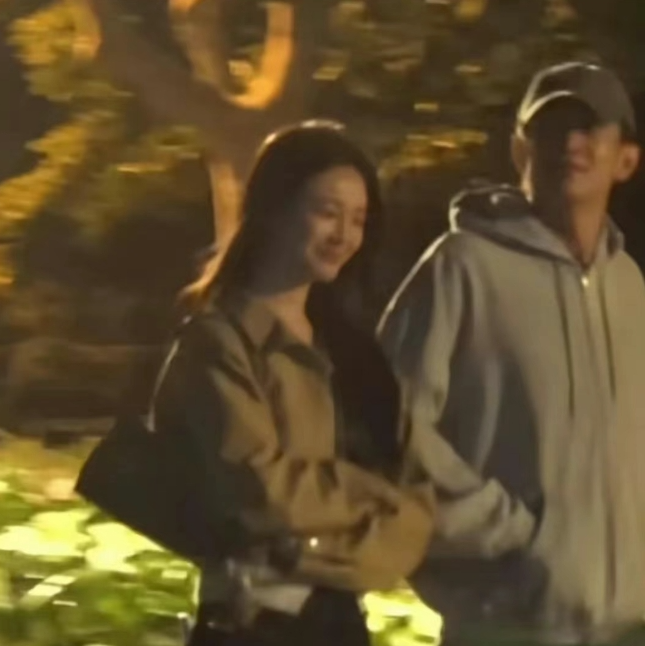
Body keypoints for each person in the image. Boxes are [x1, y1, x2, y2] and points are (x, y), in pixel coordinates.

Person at [377, 62, 645, 645]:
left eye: (588, 127)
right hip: (505, 626)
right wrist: (503, 529)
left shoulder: (631, 288)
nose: (569, 142)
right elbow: (383, 422)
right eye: (551, 128)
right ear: (521, 149)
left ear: (627, 160)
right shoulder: (461, 267)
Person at [152, 121, 434, 646]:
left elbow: (414, 513)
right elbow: (257, 491)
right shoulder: (218, 342)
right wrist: (368, 495)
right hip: (250, 630)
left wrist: (298, 551)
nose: (343, 236)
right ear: (275, 208)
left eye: (358, 220)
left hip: (341, 628)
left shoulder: (353, 354)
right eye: (327, 212)